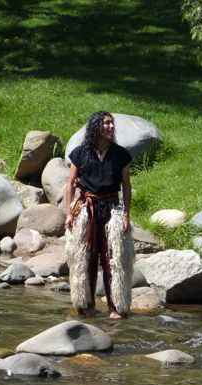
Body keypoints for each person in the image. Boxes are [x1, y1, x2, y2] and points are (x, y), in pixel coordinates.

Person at [64, 111, 134, 319]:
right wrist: (69, 214)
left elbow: (126, 186)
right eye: (106, 123)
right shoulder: (80, 153)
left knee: (114, 259)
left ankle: (116, 307)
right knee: (85, 258)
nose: (111, 127)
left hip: (112, 210)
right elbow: (70, 184)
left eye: (112, 123)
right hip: (87, 210)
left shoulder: (120, 154)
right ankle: (86, 304)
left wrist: (126, 215)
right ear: (96, 127)